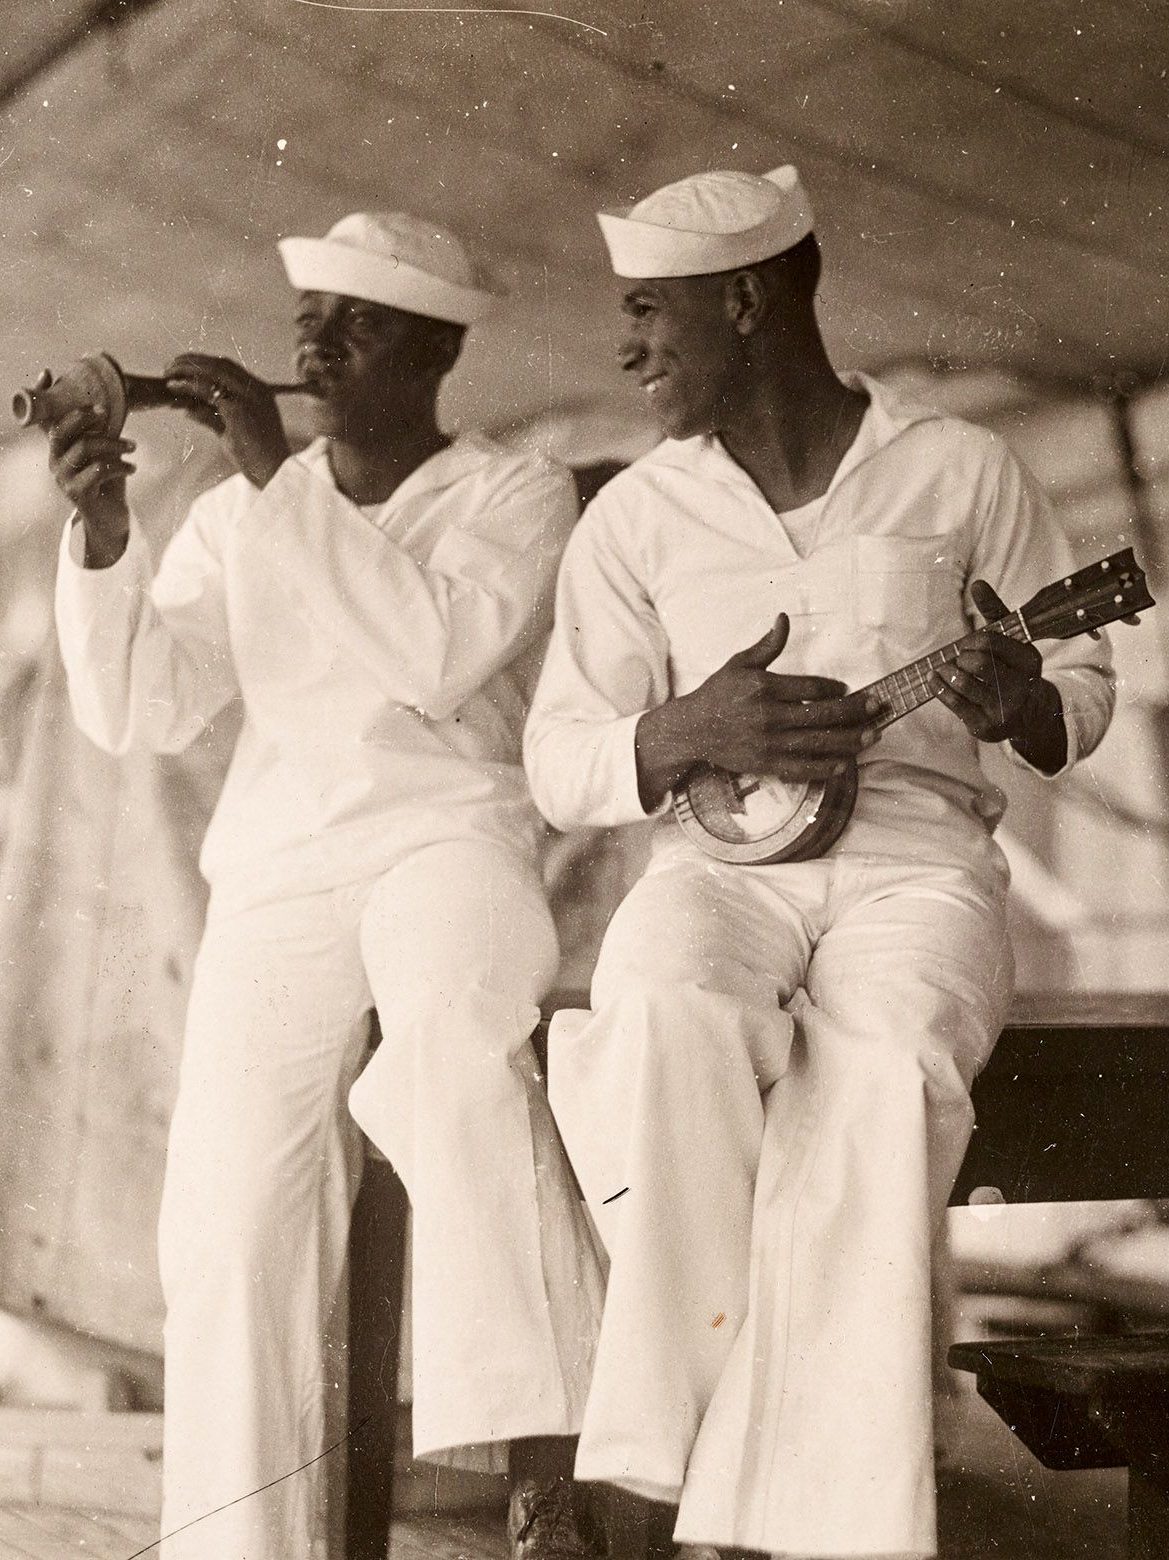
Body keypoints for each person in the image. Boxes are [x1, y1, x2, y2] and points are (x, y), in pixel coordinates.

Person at [523, 166, 1116, 1559]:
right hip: (718, 873)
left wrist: (1010, 703)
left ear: (744, 300)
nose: (626, 348)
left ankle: (801, 1531)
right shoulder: (635, 517)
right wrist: (679, 728)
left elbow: (1074, 687)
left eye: (647, 313)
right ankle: (668, 1455)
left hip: (914, 864)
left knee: (887, 1081)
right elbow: (557, 760)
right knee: (661, 1007)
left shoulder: (957, 466)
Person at [48, 212, 605, 1560]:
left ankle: (556, 1456)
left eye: (356, 323)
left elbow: (432, 652)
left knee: (457, 1057)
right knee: (228, 1215)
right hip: (283, 868)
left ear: (435, 351)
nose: (315, 340)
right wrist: (107, 529)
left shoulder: (511, 492)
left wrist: (272, 470)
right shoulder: (240, 511)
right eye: (311, 317)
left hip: (448, 841)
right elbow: (143, 708)